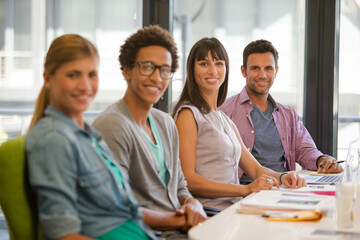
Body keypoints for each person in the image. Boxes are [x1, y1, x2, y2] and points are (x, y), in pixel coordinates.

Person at [26, 34, 156, 240]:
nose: (85, 86)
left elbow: (122, 212)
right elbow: (63, 235)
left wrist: (179, 219)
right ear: (48, 78)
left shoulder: (88, 134)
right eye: (73, 75)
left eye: (92, 75)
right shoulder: (54, 139)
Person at [92, 25, 207, 238]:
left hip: (180, 230)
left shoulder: (166, 123)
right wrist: (180, 221)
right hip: (147, 233)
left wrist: (193, 204)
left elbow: (180, 185)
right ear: (127, 70)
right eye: (147, 67)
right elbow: (117, 206)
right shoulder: (112, 125)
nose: (157, 78)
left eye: (165, 70)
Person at [173, 37, 306, 211]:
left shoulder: (224, 119)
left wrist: (283, 178)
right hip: (208, 212)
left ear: (226, 70)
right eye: (204, 64)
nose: (213, 70)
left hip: (233, 209)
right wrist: (245, 189)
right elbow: (188, 180)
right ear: (192, 70)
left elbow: (255, 170)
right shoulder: (188, 114)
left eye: (219, 63)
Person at [219, 39, 343, 185]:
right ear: (243, 71)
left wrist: (321, 160)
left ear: (276, 71)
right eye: (255, 68)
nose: (262, 75)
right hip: (243, 193)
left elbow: (304, 149)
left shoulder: (288, 114)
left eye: (268, 68)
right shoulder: (224, 111)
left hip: (283, 188)